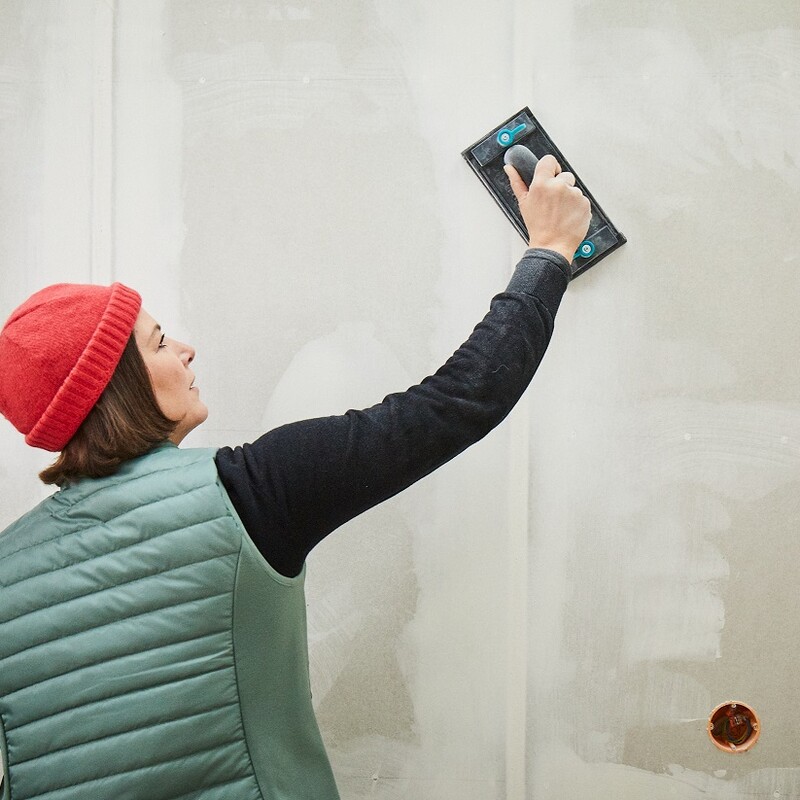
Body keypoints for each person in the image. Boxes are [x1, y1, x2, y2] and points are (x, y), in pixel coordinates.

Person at [0, 155, 590, 800]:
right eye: (160, 341)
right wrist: (550, 251)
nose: (187, 349)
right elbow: (453, 405)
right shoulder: (244, 493)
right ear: (120, 388)